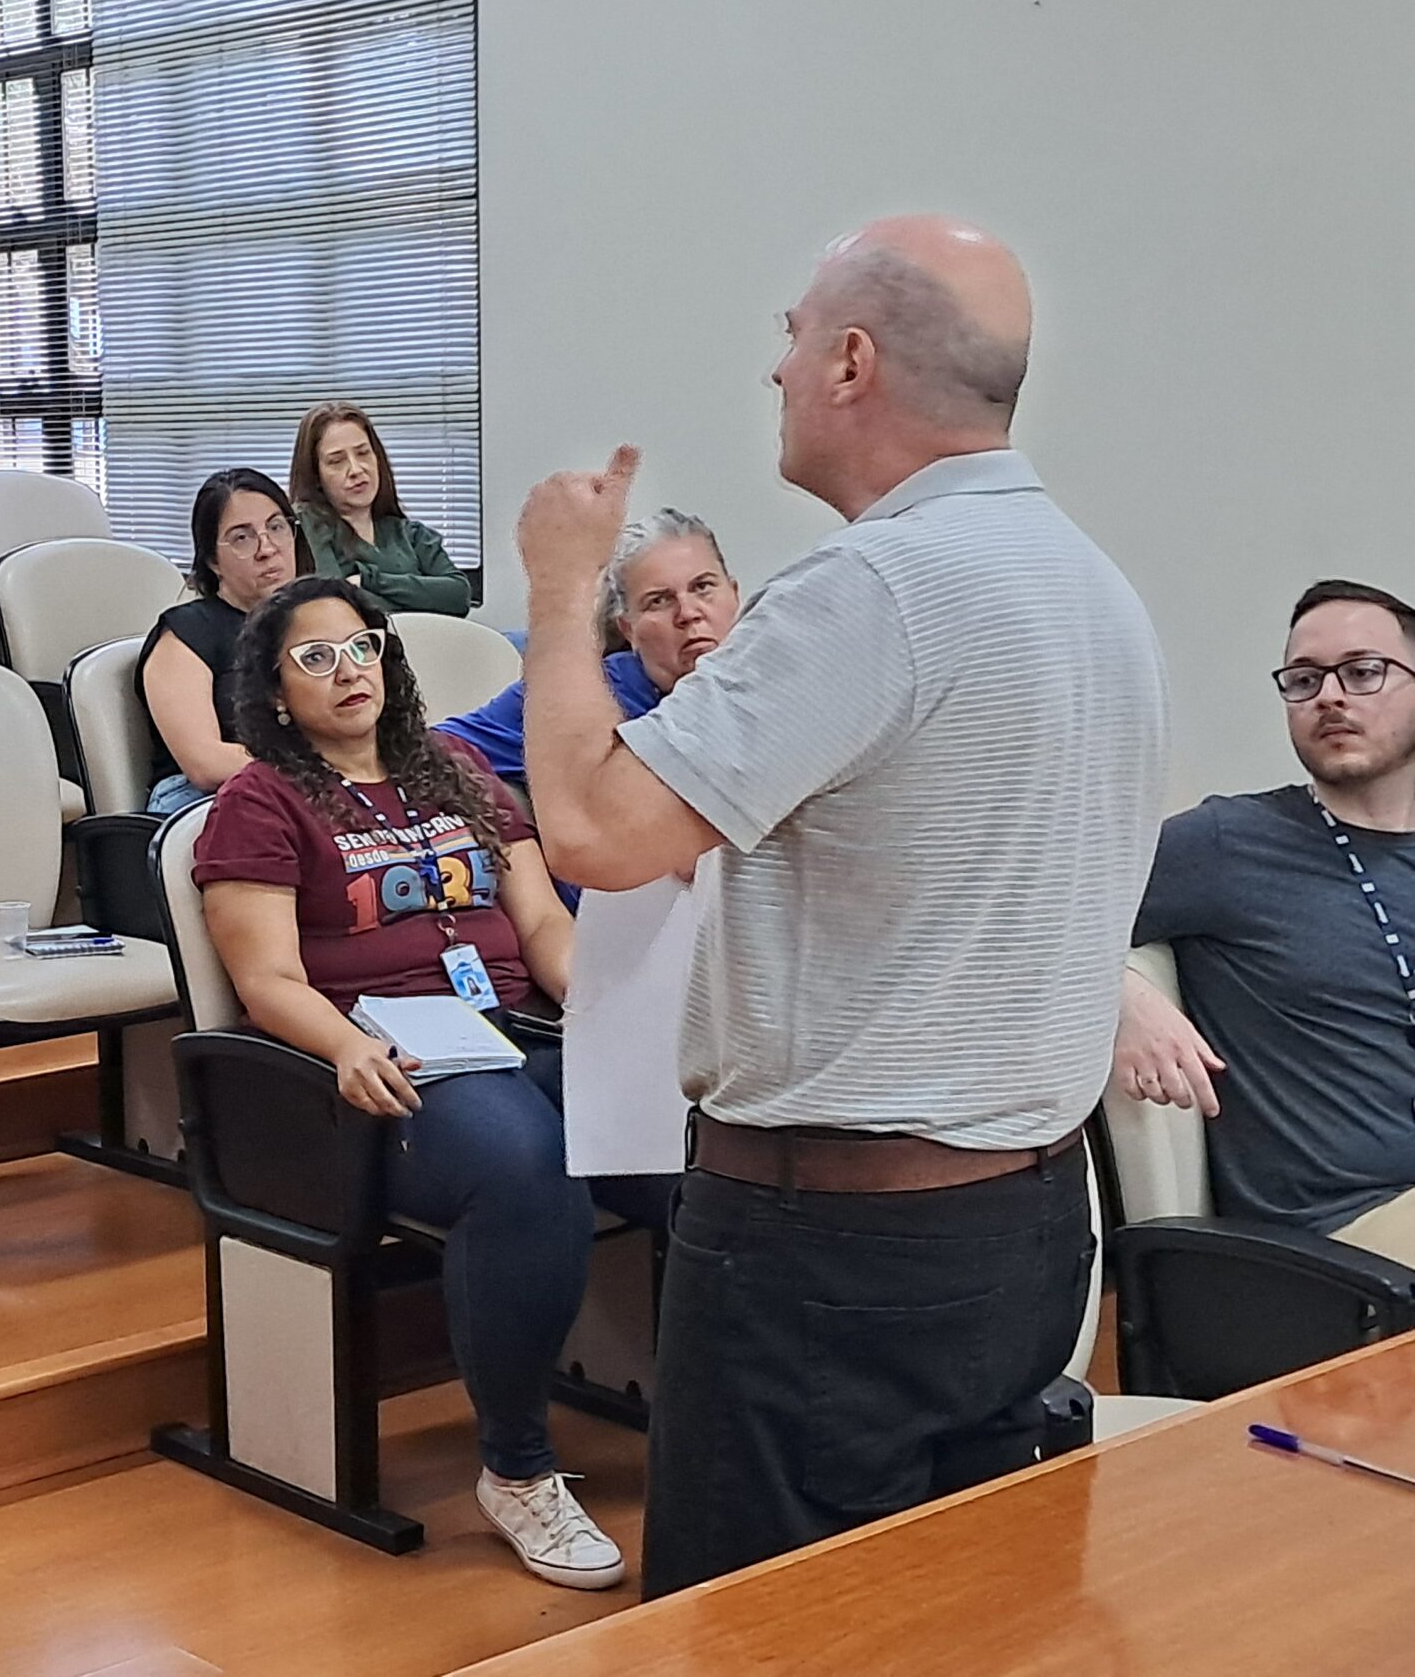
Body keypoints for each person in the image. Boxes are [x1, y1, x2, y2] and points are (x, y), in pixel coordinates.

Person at [514, 216, 1168, 1597]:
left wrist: (562, 589)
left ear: (852, 363)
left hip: (836, 1250)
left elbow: (592, 832)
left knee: (764, 1629)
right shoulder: (1093, 583)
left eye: (794, 336)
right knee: (951, 1618)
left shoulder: (872, 586)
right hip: (1029, 1221)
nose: (778, 370)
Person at [193, 575, 674, 1589]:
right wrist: (344, 1047)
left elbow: (540, 922)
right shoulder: (259, 800)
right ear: (275, 691)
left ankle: (713, 1410)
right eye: (315, 657)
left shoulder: (456, 768)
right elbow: (266, 978)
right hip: (390, 1062)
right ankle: (518, 1469)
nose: (348, 670)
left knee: (684, 1147)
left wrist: (608, 1009)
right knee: (527, 1169)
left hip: (516, 1027)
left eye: (361, 646)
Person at [1113, 579, 1415, 1264]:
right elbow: (1029, 912)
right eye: (1305, 680)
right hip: (1334, 1240)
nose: (1330, 696)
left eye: (1363, 672)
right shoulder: (1228, 844)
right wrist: (1117, 994)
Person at [440, 508, 739, 787]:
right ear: (628, 629)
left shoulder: (753, 681)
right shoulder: (598, 696)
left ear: (735, 595)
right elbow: (434, 752)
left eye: (703, 587)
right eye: (659, 601)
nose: (688, 613)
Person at [138, 468, 304, 814]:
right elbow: (204, 763)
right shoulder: (187, 632)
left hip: (302, 786)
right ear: (213, 560)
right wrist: (320, 765)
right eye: (242, 538)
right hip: (203, 799)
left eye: (276, 527)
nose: (267, 549)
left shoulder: (313, 621)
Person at [290, 402, 471, 615]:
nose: (356, 469)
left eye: (363, 453)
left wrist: (370, 580)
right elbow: (337, 606)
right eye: (337, 461)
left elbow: (458, 596)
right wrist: (420, 599)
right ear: (315, 474)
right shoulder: (307, 524)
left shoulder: (412, 535)